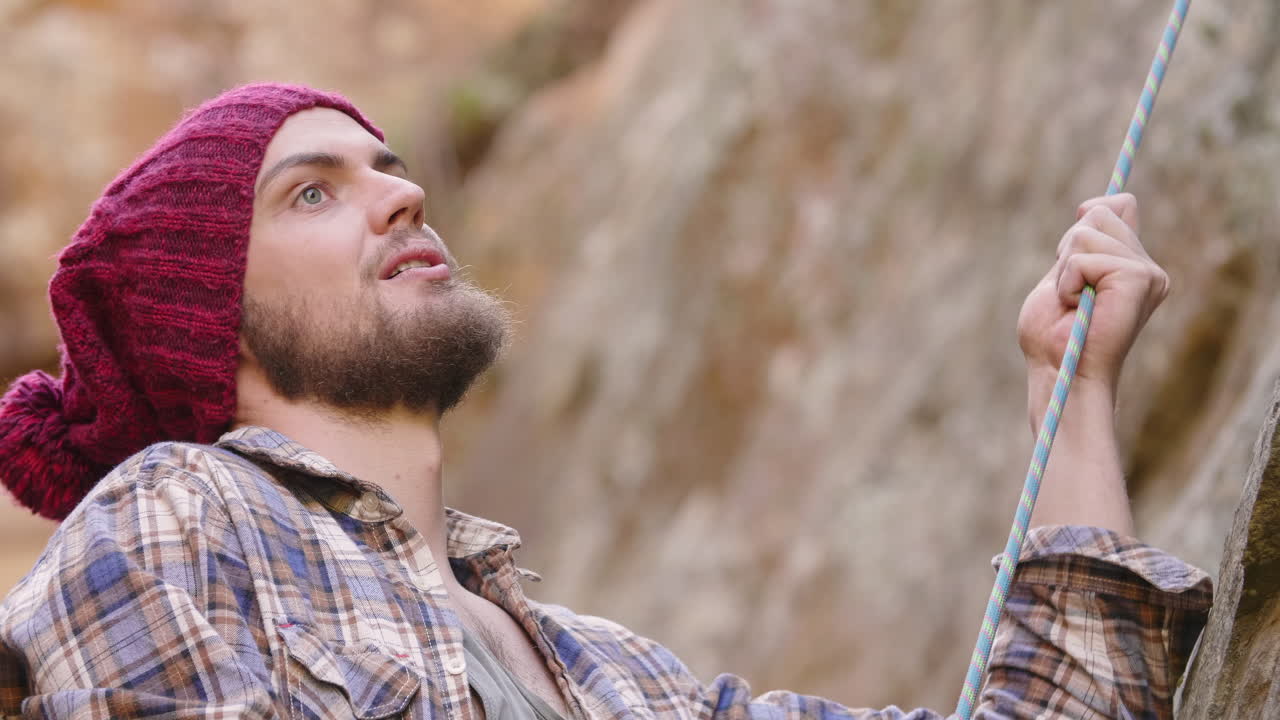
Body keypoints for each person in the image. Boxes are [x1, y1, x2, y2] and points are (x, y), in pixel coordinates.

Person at [0, 83, 1210, 719]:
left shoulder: (621, 678)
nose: (402, 195)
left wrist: (1073, 386)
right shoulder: (173, 518)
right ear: (208, 321)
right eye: (310, 194)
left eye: (386, 166)